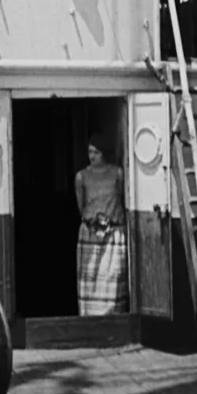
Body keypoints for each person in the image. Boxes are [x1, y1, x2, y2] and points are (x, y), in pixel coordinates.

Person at [74, 133, 128, 316]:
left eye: (96, 152)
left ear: (104, 152)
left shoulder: (117, 173)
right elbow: (81, 206)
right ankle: (89, 317)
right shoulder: (82, 176)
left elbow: (120, 198)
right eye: (90, 152)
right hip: (90, 233)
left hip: (113, 233)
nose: (92, 156)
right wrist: (94, 222)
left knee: (113, 274)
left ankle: (113, 316)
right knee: (90, 277)